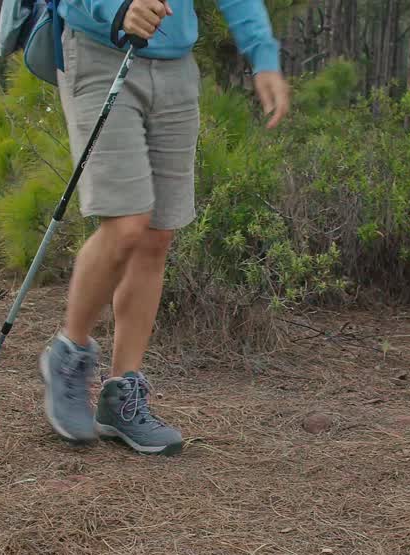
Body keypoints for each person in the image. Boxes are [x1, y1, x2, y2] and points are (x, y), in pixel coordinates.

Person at [39, 0, 291, 456]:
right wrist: (116, 9)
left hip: (175, 65)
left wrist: (263, 54)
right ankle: (69, 355)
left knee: (157, 233)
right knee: (127, 223)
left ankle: (121, 395)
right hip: (101, 51)